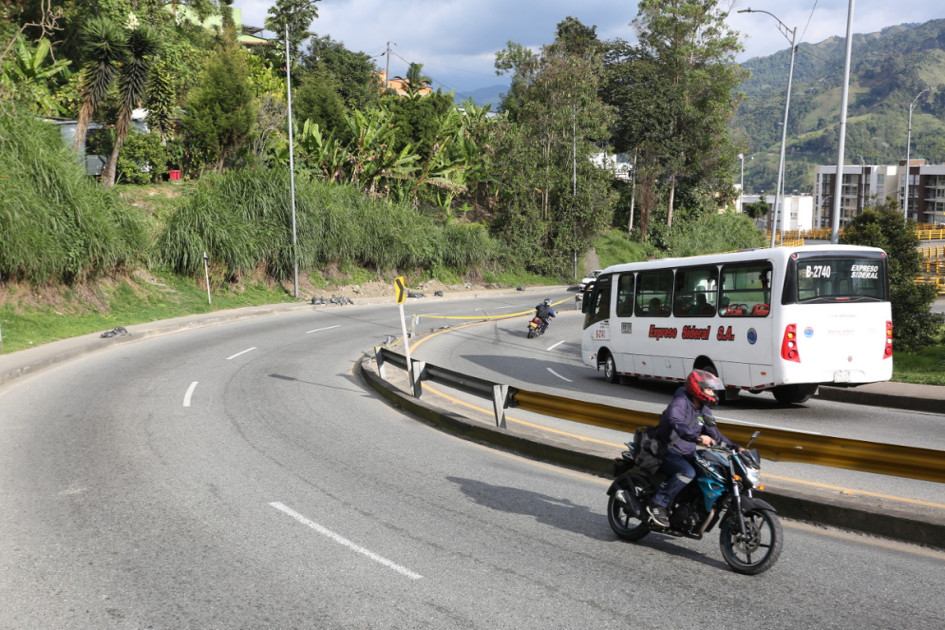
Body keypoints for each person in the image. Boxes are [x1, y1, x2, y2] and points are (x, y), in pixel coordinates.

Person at [646, 369, 741, 528]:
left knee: (710, 471)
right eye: (709, 389)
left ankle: (689, 508)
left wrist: (736, 448)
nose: (712, 392)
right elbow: (676, 422)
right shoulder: (680, 402)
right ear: (697, 388)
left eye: (712, 389)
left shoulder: (704, 410)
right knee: (687, 472)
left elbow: (715, 435)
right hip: (666, 450)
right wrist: (697, 438)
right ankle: (658, 504)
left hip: (685, 452)